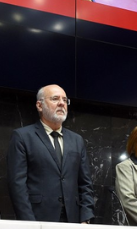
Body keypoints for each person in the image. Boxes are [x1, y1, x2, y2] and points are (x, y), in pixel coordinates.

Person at [7, 85, 96, 223]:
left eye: (65, 100)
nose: (62, 103)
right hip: (38, 218)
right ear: (39, 105)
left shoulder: (77, 140)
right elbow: (17, 185)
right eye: (55, 99)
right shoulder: (23, 136)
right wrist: (28, 223)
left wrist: (86, 217)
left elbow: (85, 183)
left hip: (73, 219)